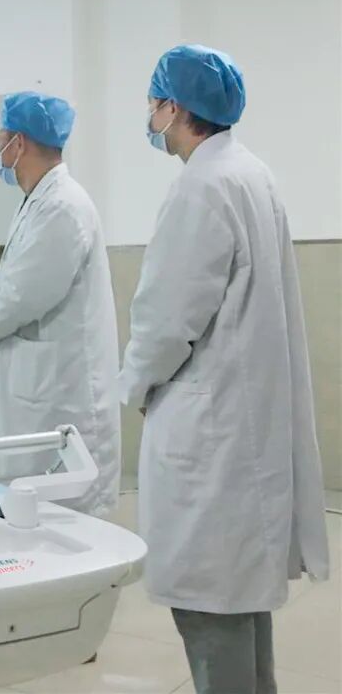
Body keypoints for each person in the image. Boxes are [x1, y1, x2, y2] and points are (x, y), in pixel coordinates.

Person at [120, 44, 330, 694]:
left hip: (211, 436)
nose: (150, 117)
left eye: (153, 104)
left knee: (212, 609)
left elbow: (166, 319)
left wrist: (135, 383)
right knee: (239, 608)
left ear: (174, 108)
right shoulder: (249, 173)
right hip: (241, 426)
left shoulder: (201, 186)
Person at [0, 92, 120, 516]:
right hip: (38, 391)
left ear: (20, 142)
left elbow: (22, 293)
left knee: (66, 517)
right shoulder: (40, 201)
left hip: (60, 396)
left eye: (1, 136)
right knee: (34, 513)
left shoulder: (62, 206)